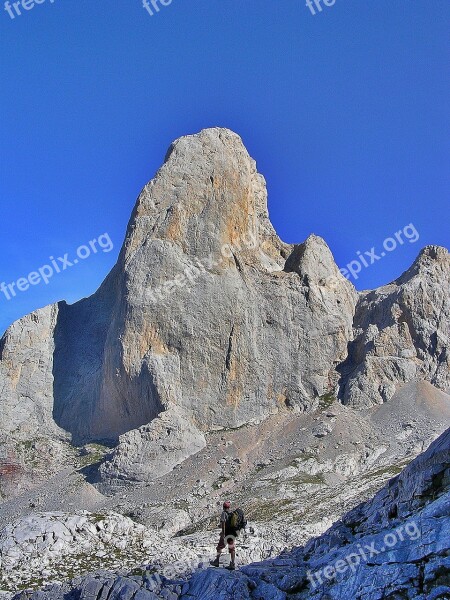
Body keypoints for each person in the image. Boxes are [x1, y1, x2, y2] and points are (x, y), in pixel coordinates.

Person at [210, 500, 237, 570]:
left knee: (219, 547)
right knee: (232, 548)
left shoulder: (224, 513)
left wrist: (223, 533)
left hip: (226, 534)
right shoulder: (232, 513)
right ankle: (232, 563)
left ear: (223, 507)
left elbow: (223, 524)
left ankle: (217, 561)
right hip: (232, 534)